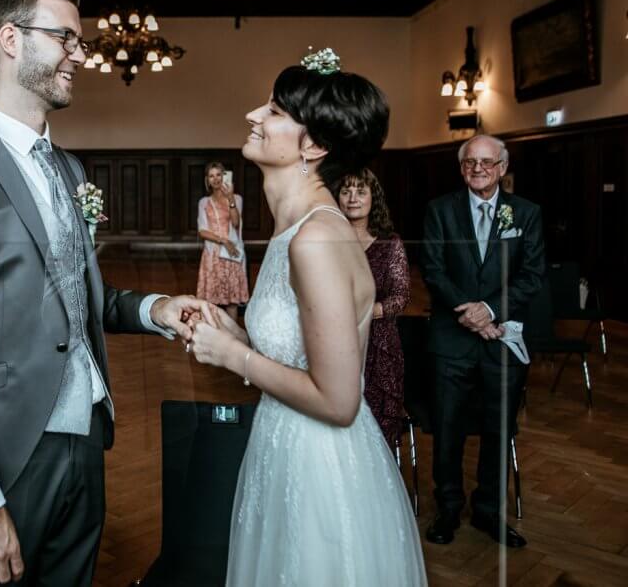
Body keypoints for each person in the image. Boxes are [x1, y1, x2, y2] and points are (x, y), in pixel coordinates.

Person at [0, 0, 202, 586]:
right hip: (7, 449)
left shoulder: (67, 166)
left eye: (80, 41)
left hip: (86, 432)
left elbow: (75, 296)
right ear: (11, 40)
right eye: (66, 38)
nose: (79, 55)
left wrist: (155, 309)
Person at [188, 50, 426, 586]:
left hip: (321, 467)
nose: (253, 115)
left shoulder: (316, 236)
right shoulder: (292, 226)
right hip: (284, 445)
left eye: (272, 111)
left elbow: (339, 401)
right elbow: (305, 344)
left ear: (313, 145)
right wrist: (234, 331)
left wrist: (234, 356)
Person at [422, 134, 544, 548]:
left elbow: (532, 275)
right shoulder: (439, 210)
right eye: (471, 162)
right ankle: (448, 508)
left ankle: (489, 512)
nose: (478, 169)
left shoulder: (525, 214)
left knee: (499, 428)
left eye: (487, 163)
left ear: (502, 168)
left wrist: (490, 310)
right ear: (461, 168)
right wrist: (471, 314)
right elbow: (434, 271)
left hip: (501, 337)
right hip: (451, 341)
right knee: (448, 428)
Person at [337, 168, 410, 446]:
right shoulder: (328, 242)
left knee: (376, 431)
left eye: (360, 191)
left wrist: (366, 313)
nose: (352, 197)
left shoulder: (390, 244)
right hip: (335, 343)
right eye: (346, 191)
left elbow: (401, 297)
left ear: (373, 198)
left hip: (379, 347)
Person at [196, 162, 249, 319]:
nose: (215, 179)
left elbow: (236, 223)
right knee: (211, 300)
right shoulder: (204, 202)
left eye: (218, 174)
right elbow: (202, 231)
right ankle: (213, 336)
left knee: (231, 301)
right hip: (212, 255)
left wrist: (230, 198)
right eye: (211, 176)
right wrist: (223, 240)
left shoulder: (237, 199)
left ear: (224, 176)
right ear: (207, 180)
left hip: (231, 254)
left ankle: (231, 338)